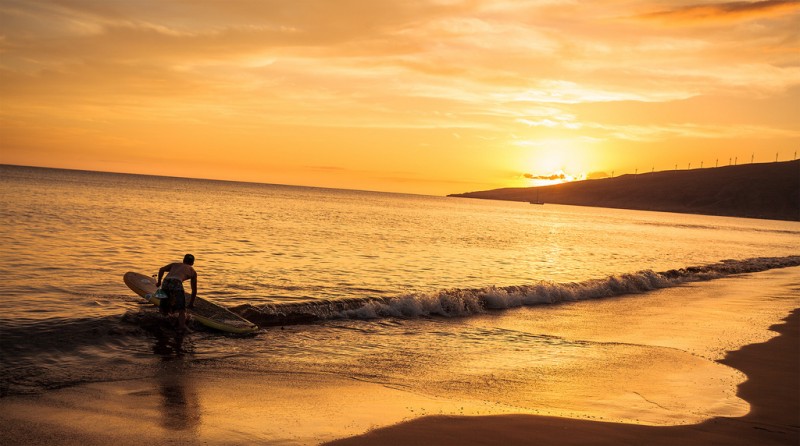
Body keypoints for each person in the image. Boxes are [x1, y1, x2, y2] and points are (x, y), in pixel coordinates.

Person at [156, 254, 197, 332]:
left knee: (164, 306)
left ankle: (162, 321)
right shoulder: (192, 271)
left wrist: (159, 282)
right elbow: (194, 290)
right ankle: (181, 326)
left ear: (183, 260)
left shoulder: (175, 264)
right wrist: (191, 304)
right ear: (192, 263)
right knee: (181, 309)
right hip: (176, 282)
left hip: (166, 281)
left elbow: (161, 269)